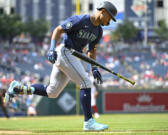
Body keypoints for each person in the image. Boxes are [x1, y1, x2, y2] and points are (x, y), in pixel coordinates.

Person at [5, 1, 117, 131]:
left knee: (52, 92)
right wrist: (51, 48)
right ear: (103, 11)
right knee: (86, 83)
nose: (110, 21)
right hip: (65, 51)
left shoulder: (98, 31)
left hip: (74, 56)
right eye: (109, 17)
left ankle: (19, 88)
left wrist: (94, 68)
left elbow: (92, 51)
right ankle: (89, 122)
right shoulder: (80, 19)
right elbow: (58, 30)